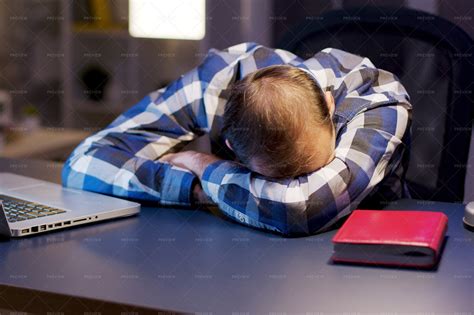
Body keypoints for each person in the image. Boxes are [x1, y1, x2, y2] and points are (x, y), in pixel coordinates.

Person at [62, 42, 412, 236]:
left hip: (368, 258)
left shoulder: (379, 100)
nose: (293, 183)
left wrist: (202, 165)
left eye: (307, 169)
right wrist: (193, 189)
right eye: (273, 177)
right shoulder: (213, 86)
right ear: (232, 145)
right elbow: (83, 163)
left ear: (329, 104)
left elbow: (300, 206)